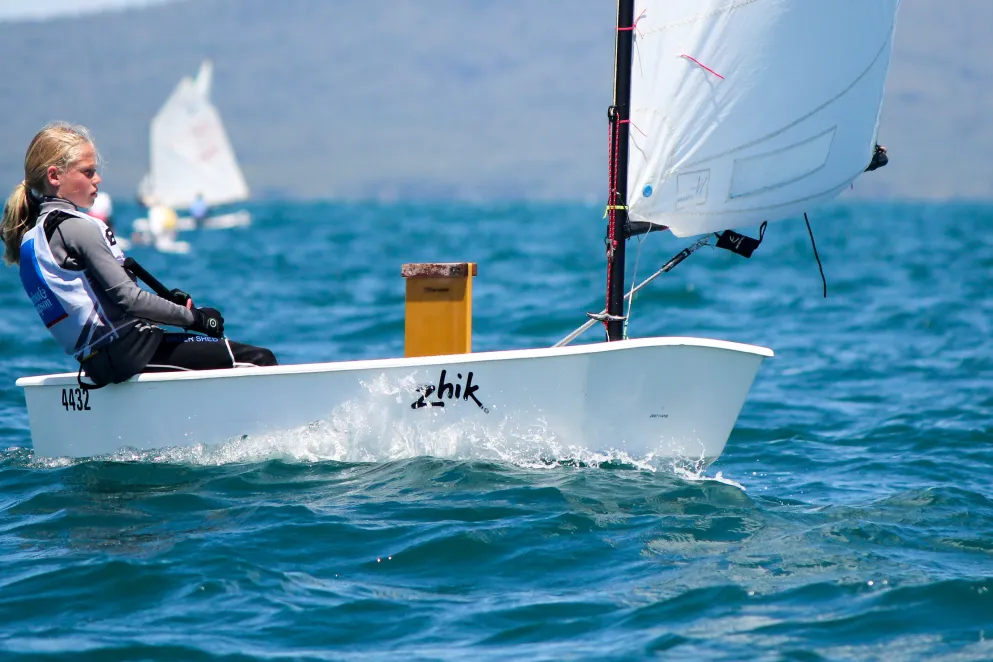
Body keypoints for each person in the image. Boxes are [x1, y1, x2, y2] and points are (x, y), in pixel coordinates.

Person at [1, 122, 277, 387]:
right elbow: (128, 299)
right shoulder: (77, 228)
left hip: (97, 362)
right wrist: (196, 319)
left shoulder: (31, 241)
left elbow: (103, 307)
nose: (98, 179)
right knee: (259, 359)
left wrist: (171, 308)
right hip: (132, 352)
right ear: (54, 176)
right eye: (88, 172)